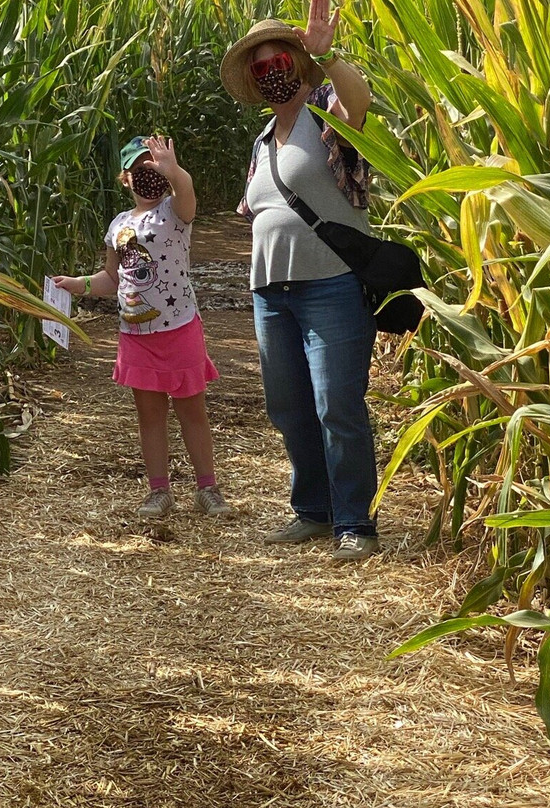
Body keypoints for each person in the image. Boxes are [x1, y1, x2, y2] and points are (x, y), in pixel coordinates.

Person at [220, 0, 379, 560]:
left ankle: (355, 522)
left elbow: (359, 103)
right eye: (259, 68)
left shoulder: (325, 115)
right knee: (289, 407)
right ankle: (312, 511)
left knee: (337, 404)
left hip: (332, 284)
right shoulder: (262, 141)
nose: (271, 72)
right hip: (272, 294)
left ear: (298, 61)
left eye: (279, 60)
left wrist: (327, 54)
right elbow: (257, 214)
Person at [53, 135, 232, 519]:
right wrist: (77, 284)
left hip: (180, 328)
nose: (148, 175)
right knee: (149, 416)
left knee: (192, 412)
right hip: (136, 336)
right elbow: (112, 278)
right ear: (125, 179)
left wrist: (174, 170)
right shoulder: (119, 225)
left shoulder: (174, 211)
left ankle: (207, 488)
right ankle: (158, 491)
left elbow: (186, 191)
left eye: (154, 169)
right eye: (140, 170)